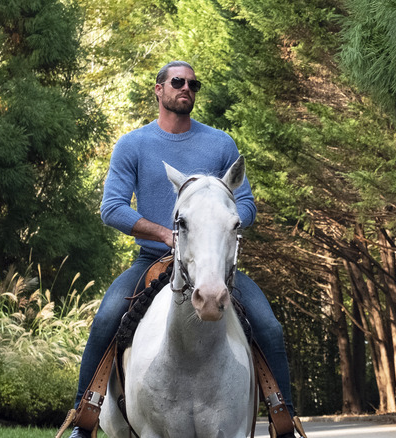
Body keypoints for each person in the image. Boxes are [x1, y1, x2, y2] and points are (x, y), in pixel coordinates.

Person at [69, 61, 299, 438]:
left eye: (194, 83)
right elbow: (112, 207)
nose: (187, 88)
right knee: (106, 318)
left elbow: (246, 205)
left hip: (214, 263)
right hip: (152, 259)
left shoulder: (221, 144)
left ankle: (283, 421)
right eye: (178, 82)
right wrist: (164, 234)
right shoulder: (133, 144)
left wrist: (219, 226)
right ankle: (84, 418)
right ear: (158, 89)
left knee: (270, 328)